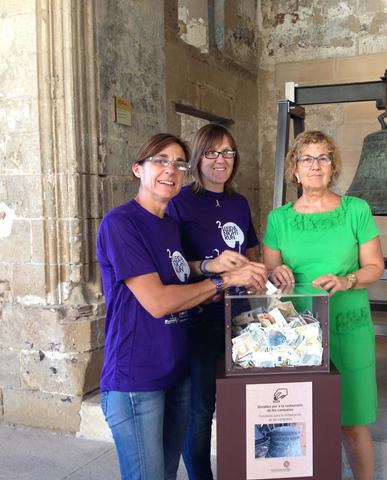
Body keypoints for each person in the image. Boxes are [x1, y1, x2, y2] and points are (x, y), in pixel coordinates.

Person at [96, 133, 266, 480]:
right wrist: (222, 281)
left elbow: (176, 270)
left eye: (178, 164)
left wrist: (210, 266)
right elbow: (158, 302)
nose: (170, 170)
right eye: (160, 161)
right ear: (138, 169)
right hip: (137, 378)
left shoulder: (168, 225)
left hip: (176, 371)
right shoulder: (121, 223)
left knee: (168, 474)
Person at [263, 130, 385, 480]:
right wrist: (275, 271)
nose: (315, 165)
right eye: (307, 158)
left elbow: (375, 266)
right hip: (296, 332)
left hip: (348, 325)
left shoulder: (356, 210)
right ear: (295, 169)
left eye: (323, 158)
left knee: (353, 420)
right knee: (300, 416)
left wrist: (347, 280)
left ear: (333, 166)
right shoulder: (279, 219)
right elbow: (270, 273)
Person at [167, 124, 259, 480]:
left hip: (239, 316)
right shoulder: (179, 202)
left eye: (228, 152)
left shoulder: (240, 203)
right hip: (199, 317)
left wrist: (258, 274)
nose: (221, 160)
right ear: (197, 158)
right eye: (211, 153)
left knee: (240, 399)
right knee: (201, 408)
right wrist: (210, 267)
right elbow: (173, 267)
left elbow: (250, 254)